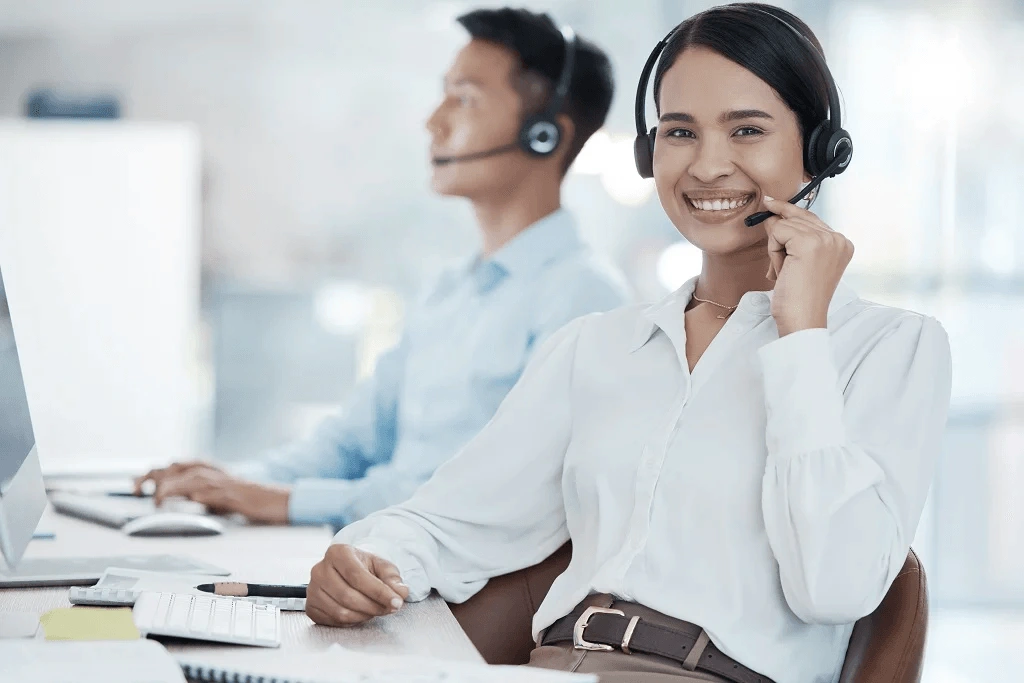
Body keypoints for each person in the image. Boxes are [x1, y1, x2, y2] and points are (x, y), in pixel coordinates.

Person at [303, 4, 953, 683]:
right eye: (679, 132)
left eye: (747, 130)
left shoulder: (893, 348)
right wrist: (364, 558)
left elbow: (837, 585)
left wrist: (801, 338)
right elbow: (451, 518)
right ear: (650, 151)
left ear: (821, 150)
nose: (707, 166)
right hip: (548, 665)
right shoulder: (596, 346)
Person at [134, 8, 627, 528]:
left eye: (464, 99)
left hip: (450, 586)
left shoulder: (584, 301)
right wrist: (230, 483)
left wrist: (281, 501)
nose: (433, 122)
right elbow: (353, 440)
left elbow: (485, 493)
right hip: (383, 549)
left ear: (544, 134)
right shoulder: (451, 289)